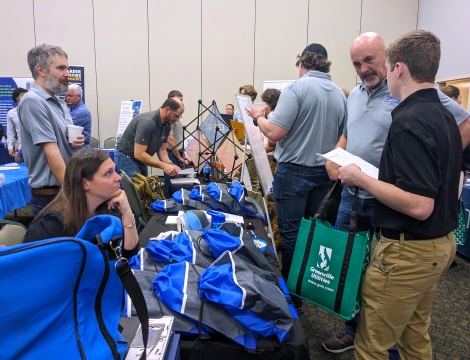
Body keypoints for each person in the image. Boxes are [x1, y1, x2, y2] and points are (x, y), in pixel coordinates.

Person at [322, 32, 470, 357]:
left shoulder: (408, 117)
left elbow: (419, 205)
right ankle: (355, 327)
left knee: (374, 341)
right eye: (356, 63)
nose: (365, 69)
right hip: (433, 239)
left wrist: (363, 177)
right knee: (414, 334)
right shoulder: (436, 113)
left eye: (376, 62)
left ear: (396, 67)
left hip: (406, 239)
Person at [247, 43, 346, 313]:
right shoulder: (339, 94)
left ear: (302, 64)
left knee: (290, 236)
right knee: (314, 234)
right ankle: (310, 286)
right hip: (324, 176)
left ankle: (293, 296)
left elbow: (275, 132)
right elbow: (342, 135)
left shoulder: (296, 89)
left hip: (293, 173)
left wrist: (259, 118)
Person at [23, 150, 139, 258]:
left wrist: (127, 213)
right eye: (108, 173)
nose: (118, 177)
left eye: (115, 170)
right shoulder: (52, 225)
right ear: (85, 184)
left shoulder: (107, 208)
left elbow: (128, 256)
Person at [18, 44, 85, 216]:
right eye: (61, 68)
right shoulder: (32, 101)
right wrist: (72, 193)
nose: (68, 73)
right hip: (53, 195)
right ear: (41, 70)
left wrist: (74, 140)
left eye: (68, 68)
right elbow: (51, 150)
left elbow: (65, 139)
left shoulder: (59, 103)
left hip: (64, 189)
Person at [115, 97, 182, 178]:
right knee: (136, 189)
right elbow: (139, 154)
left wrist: (170, 165)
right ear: (167, 109)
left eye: (179, 117)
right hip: (126, 157)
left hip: (140, 159)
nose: (177, 120)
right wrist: (163, 166)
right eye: (176, 116)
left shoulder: (167, 125)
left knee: (144, 187)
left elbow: (162, 150)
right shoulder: (147, 123)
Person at [164, 90, 191, 198]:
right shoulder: (169, 117)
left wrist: (182, 154)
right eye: (179, 100)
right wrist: (179, 156)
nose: (181, 103)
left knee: (176, 181)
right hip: (171, 153)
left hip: (177, 152)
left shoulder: (177, 116)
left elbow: (178, 138)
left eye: (182, 100)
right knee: (171, 181)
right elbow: (170, 139)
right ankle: (168, 202)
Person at [65, 84, 92, 149]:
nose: (67, 98)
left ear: (79, 96)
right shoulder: (70, 108)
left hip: (80, 149)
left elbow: (65, 128)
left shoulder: (82, 111)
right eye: (66, 96)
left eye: (70, 96)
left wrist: (63, 107)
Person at [6, 87, 28, 156]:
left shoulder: (35, 111)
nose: (25, 97)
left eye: (26, 95)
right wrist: (10, 147)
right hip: (21, 149)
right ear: (16, 97)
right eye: (22, 95)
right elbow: (10, 132)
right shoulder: (11, 113)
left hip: (37, 149)